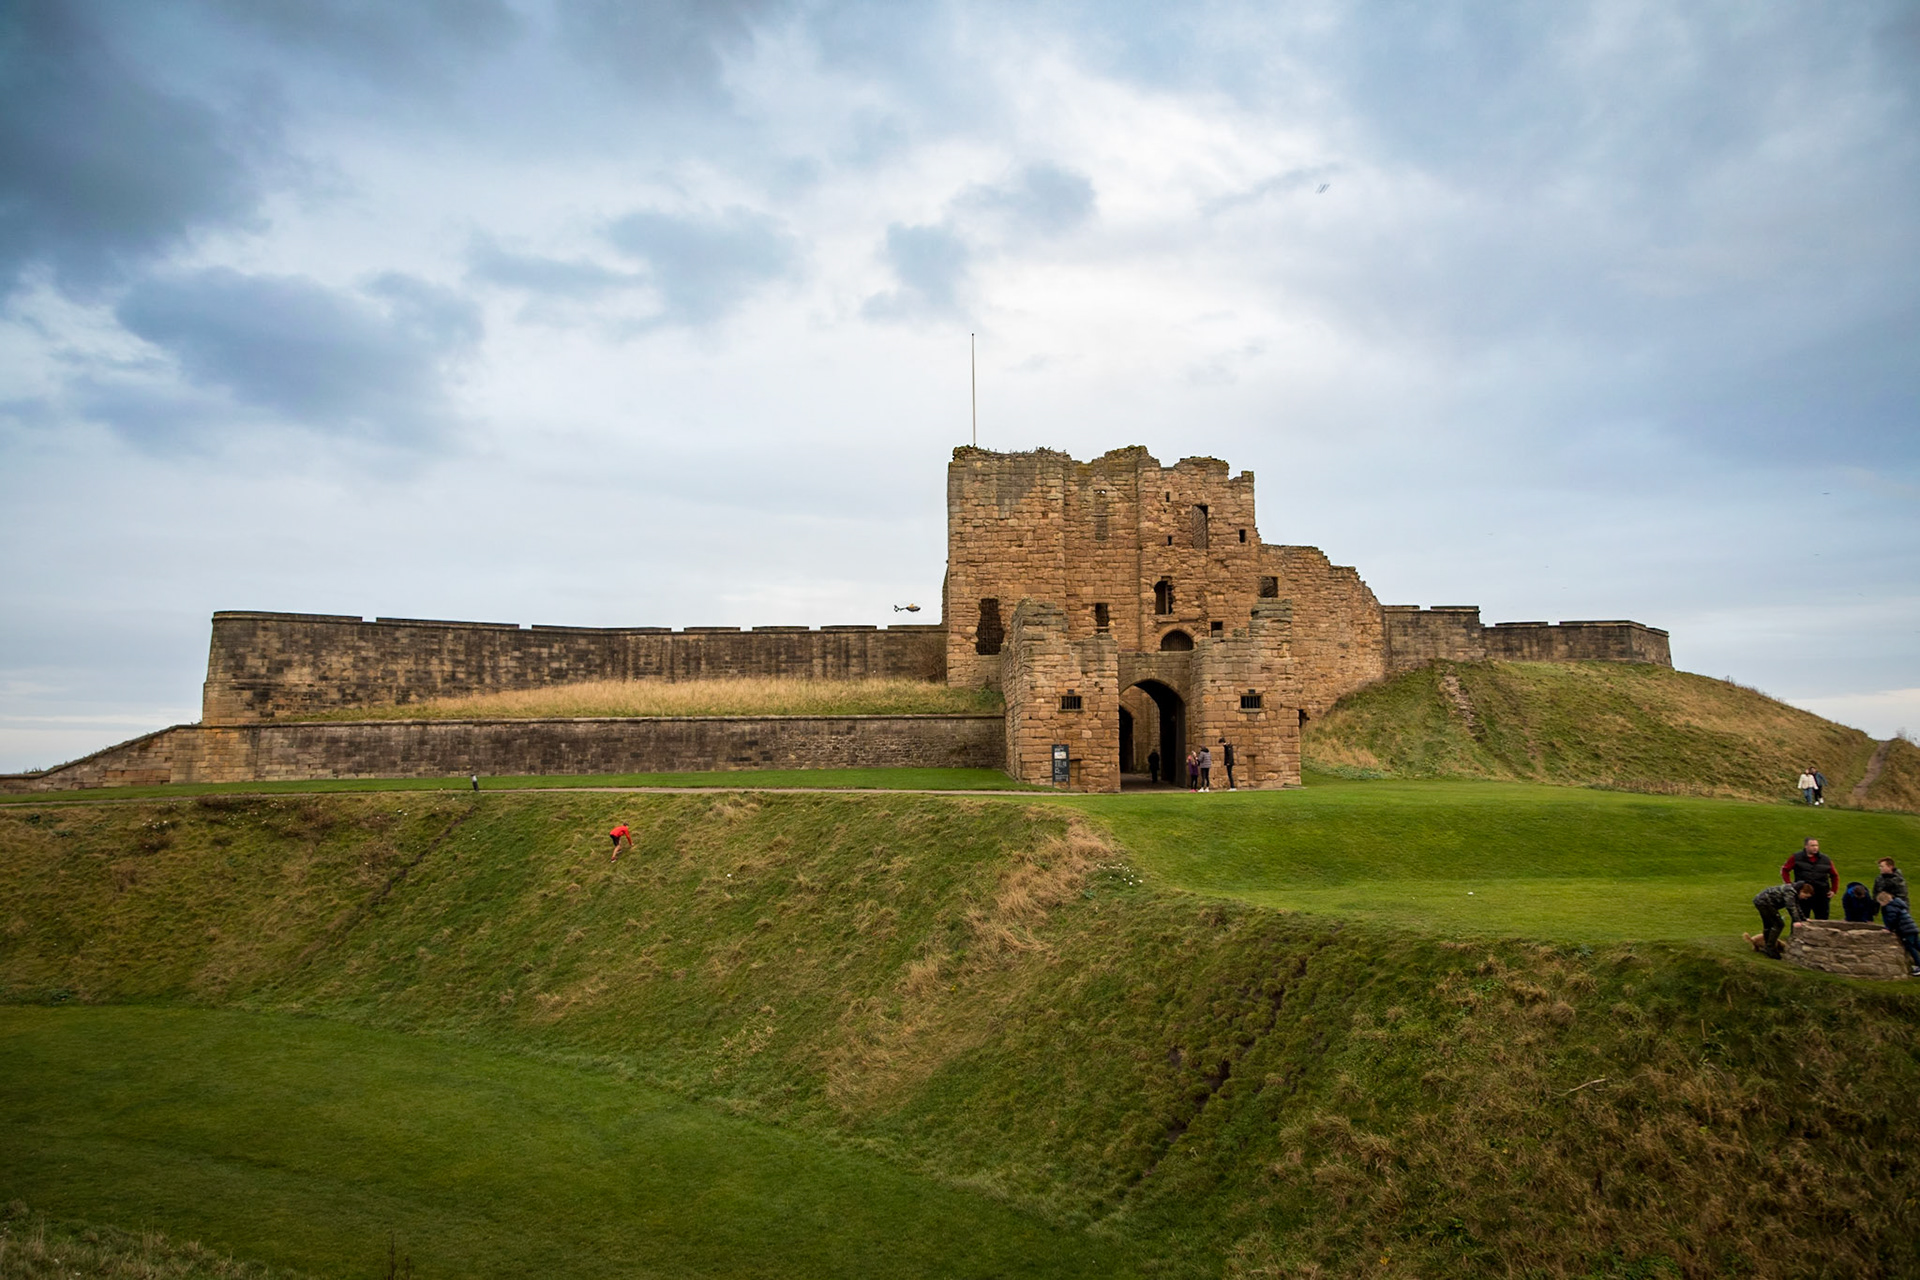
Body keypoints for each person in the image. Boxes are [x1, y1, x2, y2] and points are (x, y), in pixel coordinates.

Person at [1748, 881, 1815, 959]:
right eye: (1806, 896)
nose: (1805, 898)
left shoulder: (1793, 891)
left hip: (1761, 901)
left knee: (1769, 924)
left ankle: (1767, 945)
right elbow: (1791, 907)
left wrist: (1803, 918)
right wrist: (1796, 920)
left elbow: (1796, 906)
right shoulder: (1790, 892)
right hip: (1764, 903)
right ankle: (1770, 948)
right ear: (1802, 891)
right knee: (1778, 924)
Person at [1781, 838, 1838, 920]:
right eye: (1812, 845)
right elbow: (1785, 870)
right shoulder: (1796, 857)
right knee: (1800, 918)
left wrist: (1833, 890)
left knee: (1822, 918)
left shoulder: (1825, 859)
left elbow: (1834, 875)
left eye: (1817, 845)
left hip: (1821, 893)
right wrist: (1789, 884)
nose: (1815, 848)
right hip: (1803, 893)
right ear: (1806, 846)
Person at [1877, 892, 1920, 976]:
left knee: (1910, 947)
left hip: (1905, 930)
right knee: (1917, 945)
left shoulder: (1890, 908)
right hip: (1912, 928)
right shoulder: (1897, 904)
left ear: (1884, 901)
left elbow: (1892, 919)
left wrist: (1889, 929)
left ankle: (1919, 966)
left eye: (1880, 903)